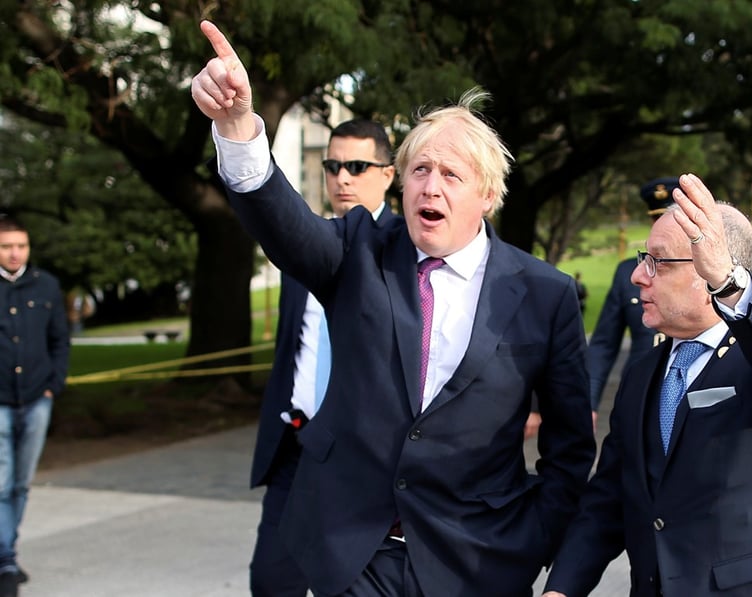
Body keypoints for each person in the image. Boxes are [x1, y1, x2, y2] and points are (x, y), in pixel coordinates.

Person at [191, 21, 595, 597]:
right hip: (354, 552)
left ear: (487, 195)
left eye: (451, 174)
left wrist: (537, 541)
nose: (430, 187)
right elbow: (285, 227)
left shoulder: (544, 292)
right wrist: (236, 129)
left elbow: (569, 445)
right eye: (420, 170)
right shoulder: (359, 249)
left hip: (477, 561)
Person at [542, 174, 752, 597]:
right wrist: (561, 589)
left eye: (657, 262)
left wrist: (730, 285)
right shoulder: (642, 373)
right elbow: (608, 500)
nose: (638, 277)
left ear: (708, 271)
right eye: (644, 259)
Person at [248, 119, 396, 597]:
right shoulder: (304, 247)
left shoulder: (407, 249)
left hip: (370, 457)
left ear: (389, 175)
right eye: (333, 166)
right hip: (297, 444)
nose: (342, 178)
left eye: (357, 166)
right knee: (271, 582)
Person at [0, 214, 70, 597]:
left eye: (21, 246)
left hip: (36, 399)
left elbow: (60, 339)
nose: (15, 253)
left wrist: (53, 386)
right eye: (7, 246)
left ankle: (6, 550)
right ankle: (6, 559)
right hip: (0, 403)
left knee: (21, 485)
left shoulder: (46, 286)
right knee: (1, 481)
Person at [585, 178, 674, 418]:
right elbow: (604, 343)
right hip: (638, 392)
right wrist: (589, 402)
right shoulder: (629, 272)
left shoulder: (704, 270)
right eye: (657, 220)